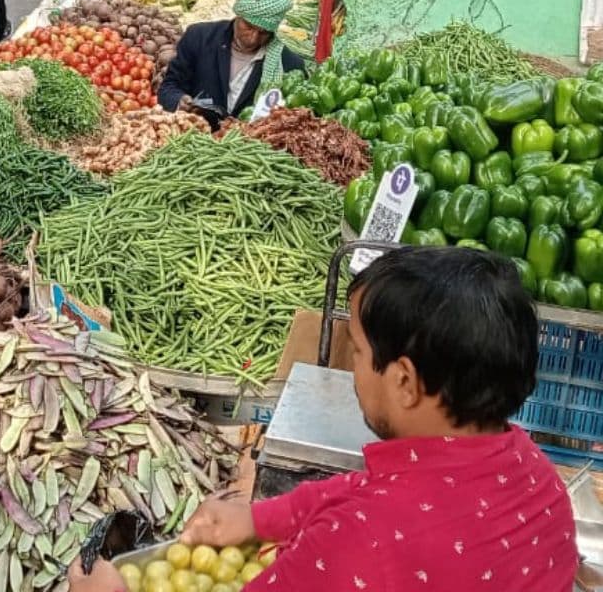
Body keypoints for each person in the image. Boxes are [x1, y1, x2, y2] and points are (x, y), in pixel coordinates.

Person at [70, 246, 577, 591]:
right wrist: (259, 517)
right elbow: (362, 490)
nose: (352, 367)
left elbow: (366, 523)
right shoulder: (536, 476)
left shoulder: (357, 544)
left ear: (404, 380)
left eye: (356, 350)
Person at [157, 0, 305, 116]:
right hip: (196, 133)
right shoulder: (200, 38)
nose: (253, 39)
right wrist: (179, 101)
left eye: (263, 33)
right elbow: (169, 86)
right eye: (248, 26)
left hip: (251, 141)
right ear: (238, 15)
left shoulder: (289, 64)